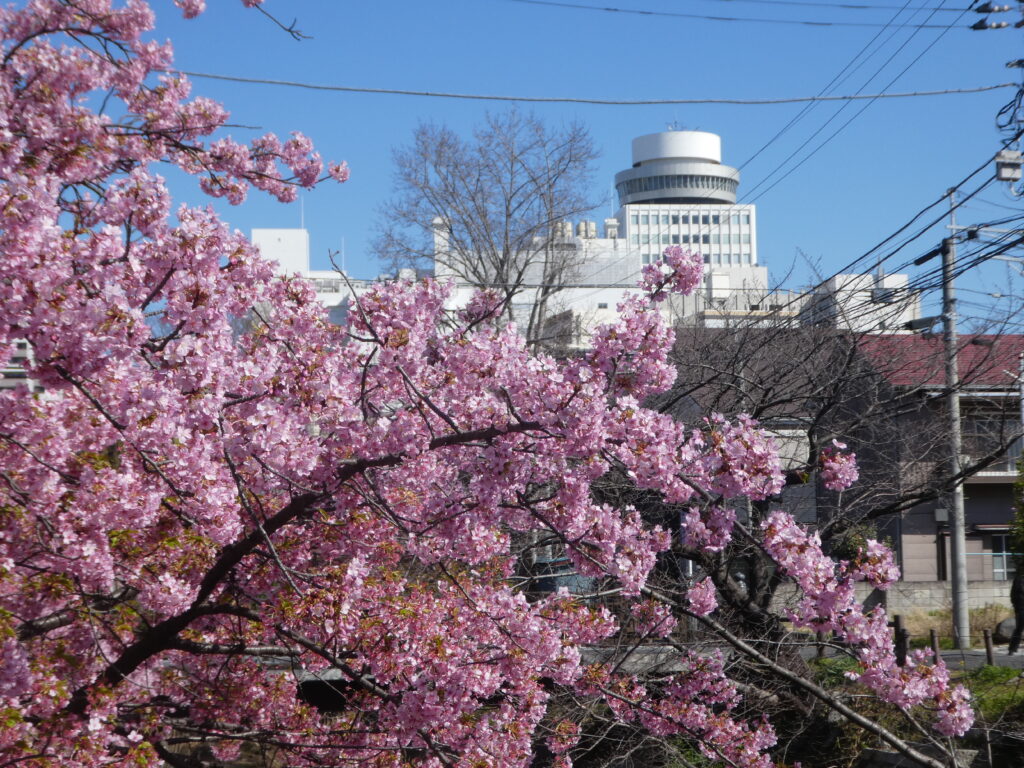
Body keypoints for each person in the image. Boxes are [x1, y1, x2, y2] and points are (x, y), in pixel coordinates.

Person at [1009, 569, 1024, 655]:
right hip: (1021, 608)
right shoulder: (1018, 580)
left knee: (1018, 628)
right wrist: (1016, 606)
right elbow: (1013, 595)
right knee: (1019, 628)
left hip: (1020, 607)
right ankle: (1012, 649)